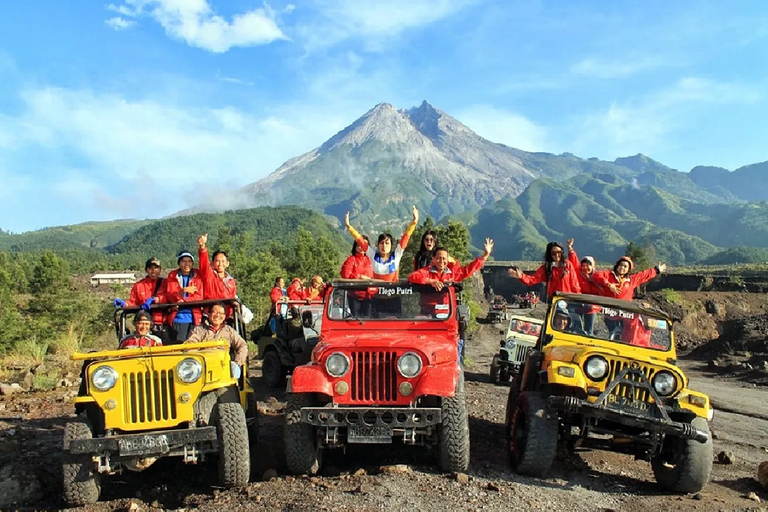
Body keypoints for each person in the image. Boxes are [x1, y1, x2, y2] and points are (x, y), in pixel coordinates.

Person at [408, 238, 493, 364]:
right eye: (438, 258)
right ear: (433, 259)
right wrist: (431, 282)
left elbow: (469, 269)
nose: (441, 261)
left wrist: (485, 255)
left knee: (452, 343)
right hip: (428, 314)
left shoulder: (452, 274)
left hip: (446, 316)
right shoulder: (426, 272)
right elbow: (413, 277)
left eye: (444, 258)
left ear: (448, 260)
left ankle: (456, 365)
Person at [344, 206, 419, 281]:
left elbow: (405, 238)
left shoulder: (396, 255)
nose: (384, 246)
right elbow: (361, 241)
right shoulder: (373, 256)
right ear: (377, 245)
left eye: (387, 243)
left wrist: (414, 222)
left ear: (391, 245)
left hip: (393, 291)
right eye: (382, 243)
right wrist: (349, 227)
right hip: (376, 291)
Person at [185, 303, 248, 379]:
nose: (217, 315)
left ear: (224, 316)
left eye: (221, 313)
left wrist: (237, 362)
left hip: (224, 365)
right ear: (208, 314)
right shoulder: (199, 330)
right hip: (204, 365)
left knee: (234, 370)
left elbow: (242, 345)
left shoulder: (229, 330)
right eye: (214, 312)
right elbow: (190, 346)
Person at [113, 257, 167, 339]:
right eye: (150, 268)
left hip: (165, 323)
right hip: (145, 326)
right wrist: (124, 304)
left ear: (160, 270)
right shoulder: (139, 285)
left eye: (156, 268)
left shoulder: (166, 283)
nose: (153, 271)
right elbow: (133, 302)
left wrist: (156, 299)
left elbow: (171, 297)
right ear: (146, 270)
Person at [507, 240, 581, 299]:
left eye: (559, 252)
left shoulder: (568, 265)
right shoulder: (547, 268)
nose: (557, 255)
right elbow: (534, 278)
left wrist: (579, 298)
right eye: (553, 253)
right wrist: (521, 276)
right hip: (554, 300)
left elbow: (575, 284)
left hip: (568, 299)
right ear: (549, 254)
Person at [567, 239, 610, 336]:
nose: (585, 268)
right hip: (578, 304)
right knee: (575, 327)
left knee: (589, 330)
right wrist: (570, 248)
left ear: (593, 266)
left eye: (588, 265)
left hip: (592, 306)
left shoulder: (597, 276)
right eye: (583, 265)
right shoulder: (578, 273)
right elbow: (573, 260)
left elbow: (604, 288)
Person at [164, 250, 204, 344]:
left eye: (189, 261)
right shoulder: (173, 275)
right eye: (184, 261)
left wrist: (183, 300)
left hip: (195, 317)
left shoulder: (197, 275)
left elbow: (199, 296)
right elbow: (170, 296)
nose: (187, 264)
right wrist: (183, 291)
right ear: (179, 263)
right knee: (179, 346)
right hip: (178, 317)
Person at [197, 233, 237, 316]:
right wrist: (203, 246)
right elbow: (204, 262)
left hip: (225, 317)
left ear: (227, 263)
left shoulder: (231, 281)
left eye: (223, 261)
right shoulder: (208, 276)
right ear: (212, 263)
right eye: (217, 261)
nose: (220, 264)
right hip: (210, 315)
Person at [596, 256, 667, 301]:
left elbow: (643, 275)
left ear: (628, 270)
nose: (622, 268)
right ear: (617, 266)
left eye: (625, 266)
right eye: (621, 265)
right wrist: (608, 284)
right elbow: (596, 275)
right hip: (608, 313)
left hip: (625, 314)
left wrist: (656, 270)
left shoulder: (631, 281)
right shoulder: (608, 275)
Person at [340, 236, 375, 317]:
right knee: (356, 320)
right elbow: (345, 275)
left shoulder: (371, 260)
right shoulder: (351, 259)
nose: (361, 247)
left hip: (370, 295)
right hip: (354, 295)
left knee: (369, 320)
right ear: (355, 246)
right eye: (359, 245)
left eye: (364, 245)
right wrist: (360, 277)